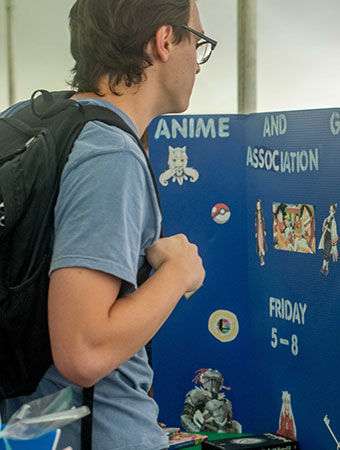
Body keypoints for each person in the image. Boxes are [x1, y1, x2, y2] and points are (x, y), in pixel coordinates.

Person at [0, 1, 209, 448]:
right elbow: (84, 350)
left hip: (26, 425)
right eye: (200, 44)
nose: (198, 63)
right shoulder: (109, 153)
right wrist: (178, 272)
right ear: (165, 41)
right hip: (93, 431)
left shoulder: (24, 119)